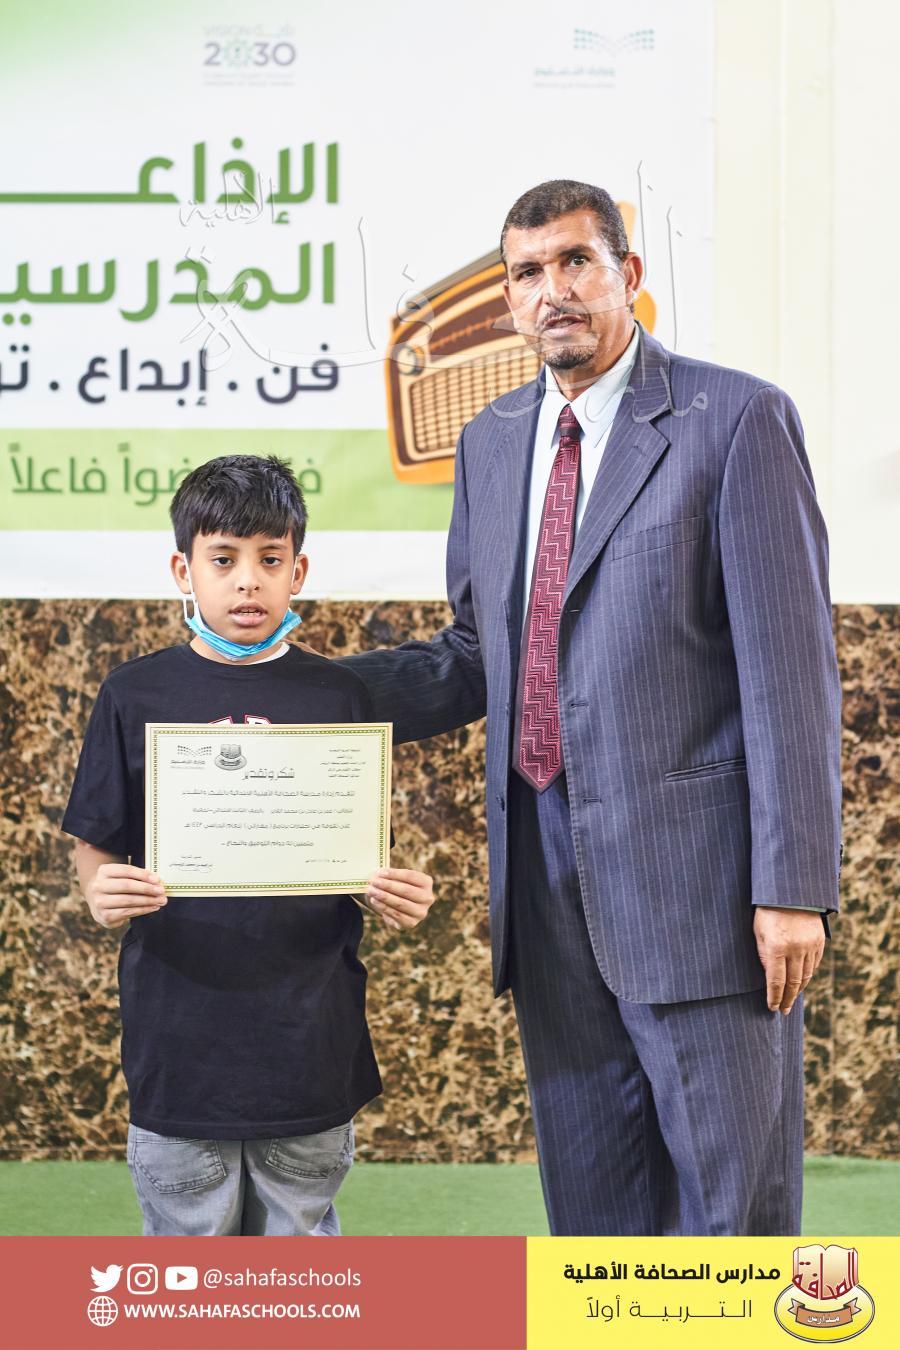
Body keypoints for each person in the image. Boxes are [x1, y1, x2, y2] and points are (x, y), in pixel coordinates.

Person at [339, 180, 842, 1235]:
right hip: (541, 871)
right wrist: (305, 693)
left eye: (576, 261)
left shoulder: (734, 420)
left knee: (731, 1209)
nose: (552, 290)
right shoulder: (490, 441)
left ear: (629, 275)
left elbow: (789, 672)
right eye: (527, 272)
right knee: (593, 1213)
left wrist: (794, 887)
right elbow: (478, 654)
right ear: (508, 299)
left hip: (697, 885)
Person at [62, 454, 435, 1237]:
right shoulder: (133, 694)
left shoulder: (339, 696)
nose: (247, 583)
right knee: (188, 1266)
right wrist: (101, 890)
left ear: (298, 571)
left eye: (269, 560)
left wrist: (392, 889)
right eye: (223, 559)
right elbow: (94, 844)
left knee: (296, 1259)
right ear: (184, 570)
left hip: (307, 1037)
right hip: (179, 1039)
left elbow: (356, 854)